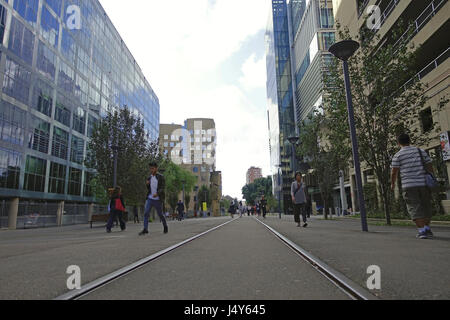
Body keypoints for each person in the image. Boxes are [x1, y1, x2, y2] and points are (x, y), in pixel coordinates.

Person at [391, 133, 435, 239]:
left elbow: (394, 172)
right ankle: (427, 229)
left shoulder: (398, 155)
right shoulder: (420, 151)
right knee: (425, 206)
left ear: (398, 143)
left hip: (409, 185)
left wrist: (392, 183)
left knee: (414, 207)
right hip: (423, 183)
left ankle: (422, 231)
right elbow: (429, 165)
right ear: (409, 141)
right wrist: (432, 178)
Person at [139, 162, 168, 236]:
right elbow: (149, 189)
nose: (151, 170)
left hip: (158, 199)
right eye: (150, 168)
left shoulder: (161, 177)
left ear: (156, 168)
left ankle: (165, 226)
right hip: (150, 198)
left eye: (153, 168)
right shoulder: (149, 177)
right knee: (146, 213)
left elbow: (162, 187)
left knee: (160, 214)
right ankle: (145, 229)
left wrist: (157, 194)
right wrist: (147, 184)